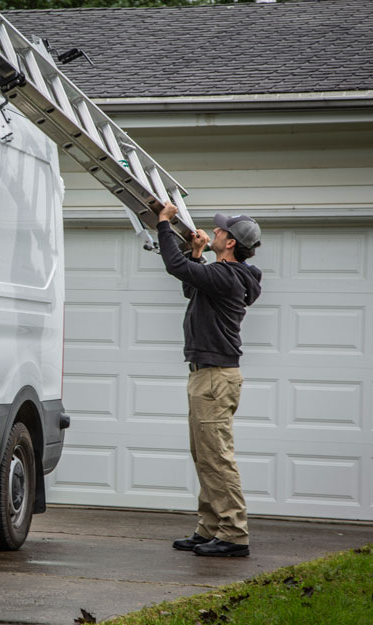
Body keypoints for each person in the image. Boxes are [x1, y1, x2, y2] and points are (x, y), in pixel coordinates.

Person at [156, 202, 262, 557]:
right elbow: (192, 286)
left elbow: (175, 266)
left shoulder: (228, 277)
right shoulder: (221, 276)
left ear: (231, 243)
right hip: (208, 376)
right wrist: (197, 253)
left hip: (216, 379)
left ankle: (233, 534)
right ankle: (209, 528)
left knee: (217, 458)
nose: (214, 231)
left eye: (219, 231)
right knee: (204, 455)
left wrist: (164, 224)